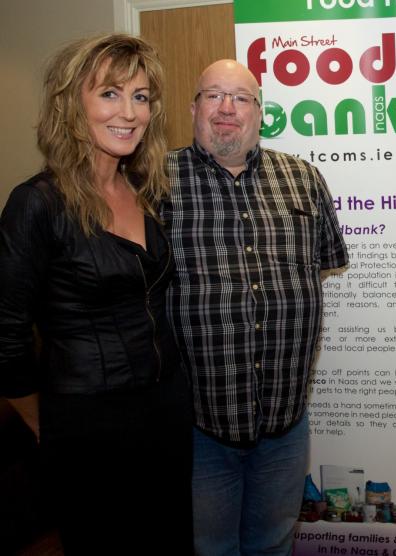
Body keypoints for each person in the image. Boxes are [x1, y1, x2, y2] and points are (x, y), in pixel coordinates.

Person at [0, 34, 192, 554]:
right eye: (110, 93)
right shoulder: (37, 204)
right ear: (70, 104)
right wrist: (44, 422)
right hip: (87, 424)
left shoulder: (147, 191)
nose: (129, 112)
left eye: (141, 96)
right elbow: (6, 335)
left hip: (166, 410)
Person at [162, 59, 349, 556]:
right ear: (194, 108)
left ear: (260, 112)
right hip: (199, 423)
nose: (227, 108)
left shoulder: (303, 178)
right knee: (210, 547)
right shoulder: (156, 182)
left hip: (284, 423)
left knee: (274, 543)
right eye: (213, 95)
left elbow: (324, 262)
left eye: (240, 97)